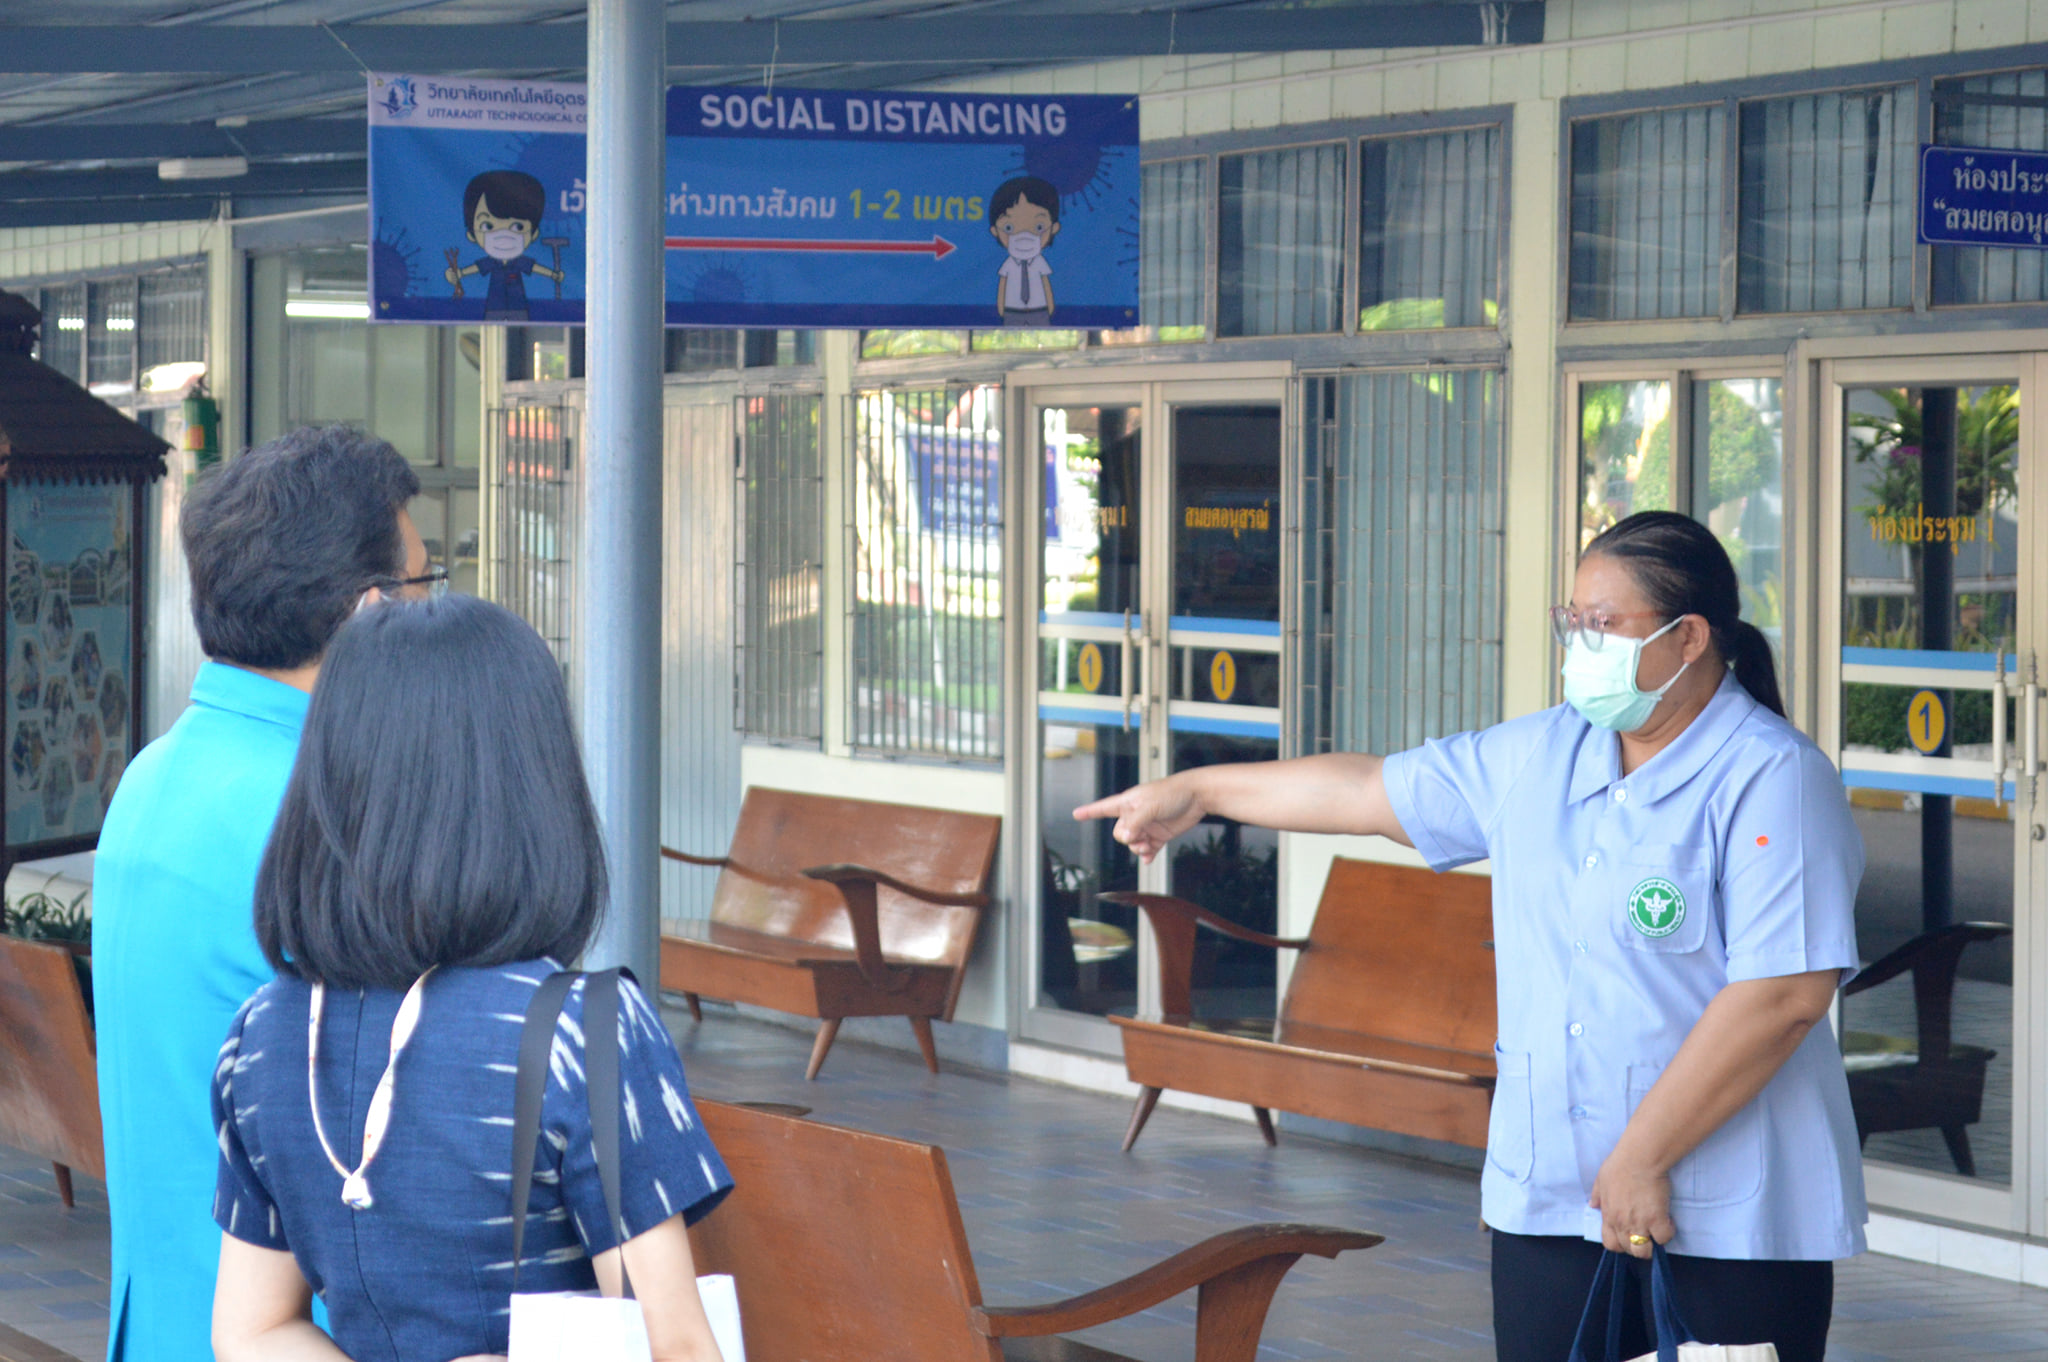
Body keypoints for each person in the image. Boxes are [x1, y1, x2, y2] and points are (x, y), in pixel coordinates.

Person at [1076, 511, 1865, 1362]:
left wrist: (1642, 1156)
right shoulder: (1545, 753)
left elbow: (1782, 995)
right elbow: (1367, 792)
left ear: (1690, 638)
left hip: (1726, 1214)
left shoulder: (1773, 778)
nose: (1582, 644)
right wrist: (1197, 792)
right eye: (1574, 622)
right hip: (1553, 1193)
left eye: (1604, 625)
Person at [209, 596, 732, 1362]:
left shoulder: (263, 1034)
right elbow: (676, 1346)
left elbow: (250, 1331)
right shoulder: (583, 1028)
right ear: (528, 786)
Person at [92, 426, 431, 1362]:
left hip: (164, 1319)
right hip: (298, 1332)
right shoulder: (322, 820)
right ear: (369, 611)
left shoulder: (155, 776)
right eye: (422, 587)